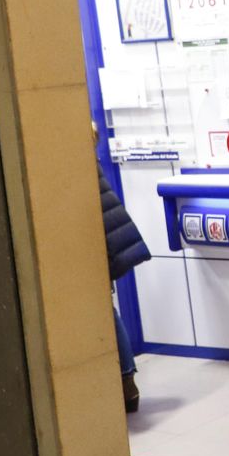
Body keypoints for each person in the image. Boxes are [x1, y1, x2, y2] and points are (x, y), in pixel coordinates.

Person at [97, 165, 150, 414]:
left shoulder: (74, 161)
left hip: (96, 249)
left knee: (106, 312)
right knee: (108, 311)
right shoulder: (85, 158)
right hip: (104, 246)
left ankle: (126, 381)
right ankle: (127, 382)